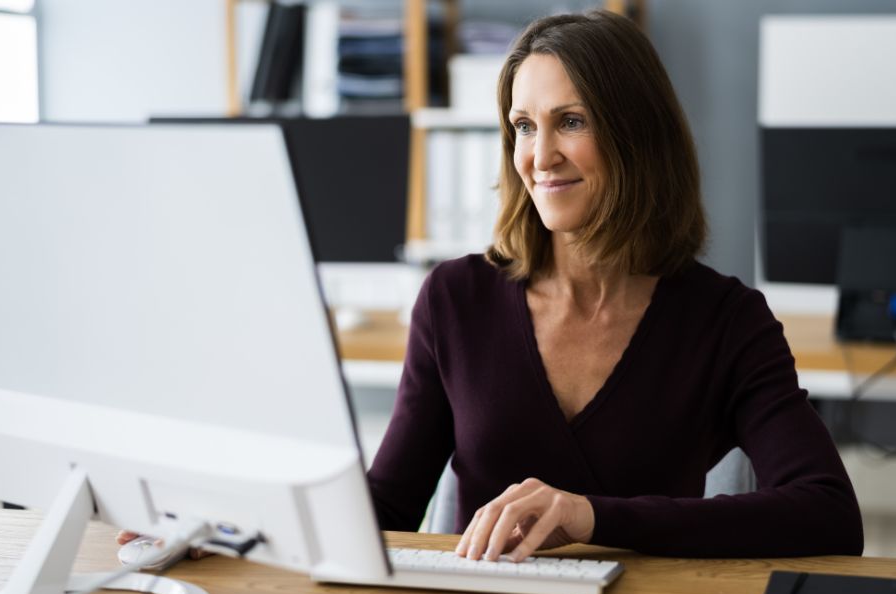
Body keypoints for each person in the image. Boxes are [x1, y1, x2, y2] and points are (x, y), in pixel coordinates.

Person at [365, 10, 864, 563]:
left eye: (572, 121)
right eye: (525, 126)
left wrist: (593, 516)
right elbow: (386, 508)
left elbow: (828, 514)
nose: (540, 156)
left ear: (638, 135)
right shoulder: (455, 299)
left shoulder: (725, 320)